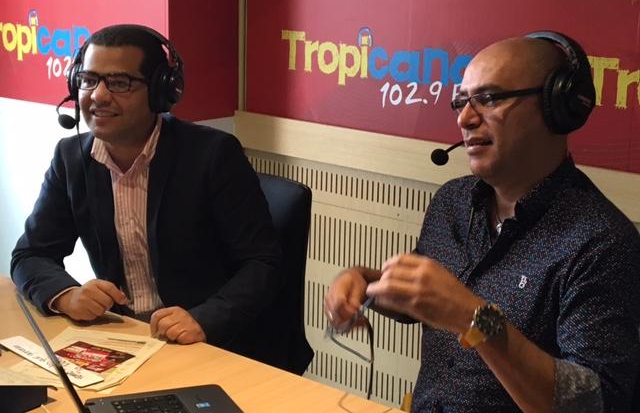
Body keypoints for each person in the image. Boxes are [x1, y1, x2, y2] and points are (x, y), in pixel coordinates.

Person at [325, 31, 640, 412]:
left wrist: (473, 319)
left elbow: (594, 404)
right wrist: (366, 282)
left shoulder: (601, 242)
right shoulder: (453, 202)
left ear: (555, 106)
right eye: (461, 102)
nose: (465, 118)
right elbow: (425, 300)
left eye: (489, 99)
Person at [11, 24, 283, 361]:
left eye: (119, 83)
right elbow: (30, 255)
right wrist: (66, 295)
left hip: (213, 343)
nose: (98, 96)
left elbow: (263, 263)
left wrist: (206, 319)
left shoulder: (212, 155)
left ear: (160, 91)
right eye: (88, 80)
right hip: (128, 338)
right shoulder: (71, 159)